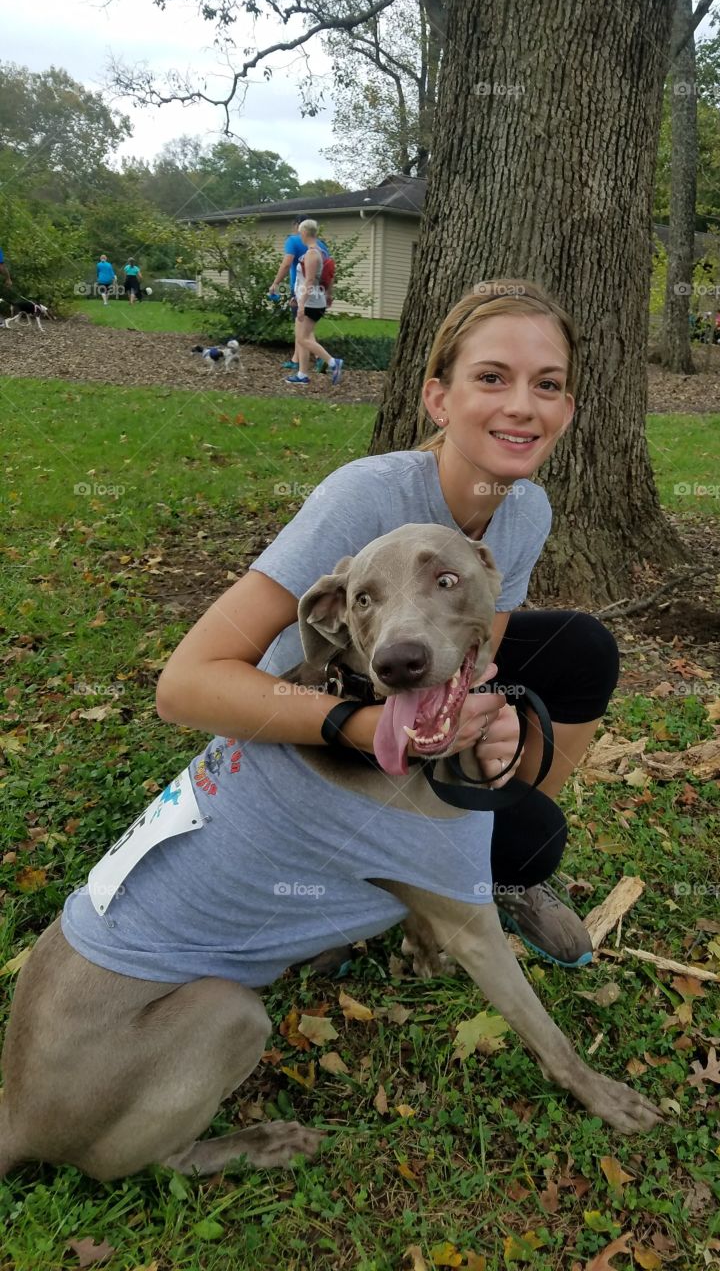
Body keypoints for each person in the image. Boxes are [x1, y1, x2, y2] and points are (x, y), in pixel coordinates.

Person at [155, 279, 616, 968]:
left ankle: (497, 876)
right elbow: (184, 687)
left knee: (576, 671)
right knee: (510, 829)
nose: (522, 406)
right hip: (313, 724)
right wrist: (359, 726)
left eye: (546, 385)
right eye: (492, 377)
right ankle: (345, 886)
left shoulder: (527, 512)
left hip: (414, 687)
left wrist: (495, 716)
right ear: (439, 397)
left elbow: (480, 645)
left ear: (567, 409)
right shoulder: (364, 496)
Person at [285, 218, 344, 386]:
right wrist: (328, 295)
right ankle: (302, 374)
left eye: (300, 233)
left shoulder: (311, 254)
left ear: (304, 233)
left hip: (310, 302)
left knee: (303, 339)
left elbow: (309, 281)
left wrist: (301, 304)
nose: (299, 236)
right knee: (301, 337)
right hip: (313, 299)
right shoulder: (321, 252)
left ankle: (333, 362)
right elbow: (329, 276)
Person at [268, 215, 331, 372]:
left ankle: (322, 360)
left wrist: (276, 283)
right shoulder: (322, 246)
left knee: (302, 330)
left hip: (301, 290)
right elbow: (329, 272)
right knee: (304, 328)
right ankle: (297, 362)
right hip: (319, 294)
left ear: (299, 227)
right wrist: (329, 294)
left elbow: (287, 263)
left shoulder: (293, 240)